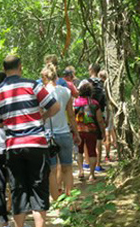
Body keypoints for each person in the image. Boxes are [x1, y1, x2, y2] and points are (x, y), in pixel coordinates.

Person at [0, 55, 60, 227]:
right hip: (36, 144)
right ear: (20, 67)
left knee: (18, 189)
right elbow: (54, 106)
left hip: (13, 146)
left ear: (4, 69)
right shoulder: (33, 85)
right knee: (39, 188)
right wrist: (41, 117)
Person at [0, 72, 34, 227]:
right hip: (10, 148)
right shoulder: (3, 102)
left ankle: (5, 224)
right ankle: (19, 224)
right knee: (16, 186)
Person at [41, 64, 80, 201]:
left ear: (44, 77)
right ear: (56, 77)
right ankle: (70, 199)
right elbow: (71, 114)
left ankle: (56, 201)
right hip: (64, 133)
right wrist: (77, 133)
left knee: (51, 171)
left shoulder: (41, 92)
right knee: (67, 168)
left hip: (48, 136)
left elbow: (40, 114)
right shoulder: (65, 91)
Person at [74, 82, 106, 181]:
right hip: (92, 131)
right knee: (92, 152)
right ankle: (92, 174)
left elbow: (71, 116)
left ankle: (81, 171)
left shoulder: (75, 103)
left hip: (78, 130)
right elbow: (100, 120)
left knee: (79, 151)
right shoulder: (95, 103)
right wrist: (103, 131)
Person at [81, 63, 107, 172]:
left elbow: (79, 96)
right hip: (99, 111)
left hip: (87, 113)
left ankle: (87, 162)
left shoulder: (85, 82)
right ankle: (98, 164)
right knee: (99, 139)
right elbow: (106, 99)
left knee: (87, 138)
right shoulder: (103, 83)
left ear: (91, 69)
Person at [98, 70, 117, 162]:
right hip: (108, 110)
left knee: (99, 134)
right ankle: (107, 155)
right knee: (107, 133)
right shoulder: (110, 87)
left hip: (98, 111)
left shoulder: (97, 86)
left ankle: (97, 157)